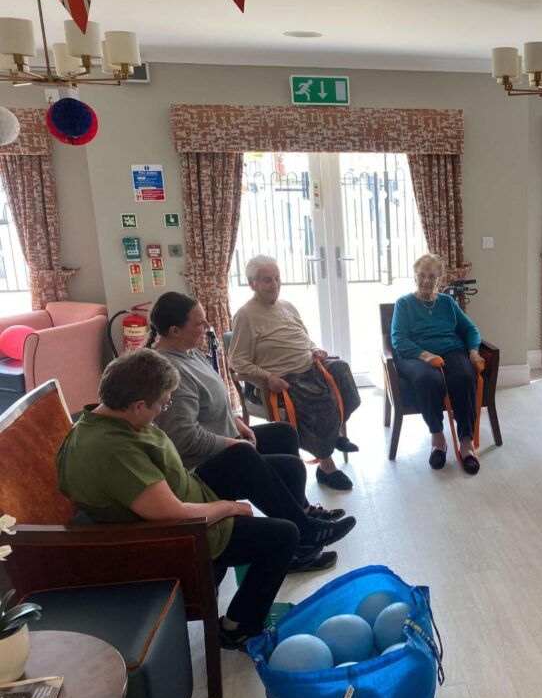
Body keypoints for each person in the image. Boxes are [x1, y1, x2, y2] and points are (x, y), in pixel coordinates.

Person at [56, 349, 299, 650]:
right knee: (283, 537)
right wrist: (229, 507)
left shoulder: (97, 420)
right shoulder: (116, 452)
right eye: (162, 403)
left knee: (242, 455)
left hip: (188, 490)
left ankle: (308, 527)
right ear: (138, 406)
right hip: (180, 537)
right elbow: (177, 515)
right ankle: (237, 627)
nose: (163, 409)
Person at [146, 292, 355, 573]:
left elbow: (212, 401)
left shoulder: (189, 350)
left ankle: (301, 517)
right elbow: (184, 438)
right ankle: (304, 534)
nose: (207, 325)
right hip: (197, 465)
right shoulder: (171, 372)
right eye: (199, 322)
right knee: (267, 460)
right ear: (174, 330)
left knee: (283, 433)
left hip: (222, 438)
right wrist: (231, 442)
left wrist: (236, 421)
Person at [230, 255, 361, 491]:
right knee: (319, 402)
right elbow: (237, 361)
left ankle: (334, 434)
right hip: (282, 378)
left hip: (310, 366)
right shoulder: (245, 315)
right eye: (267, 279)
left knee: (342, 370)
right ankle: (327, 467)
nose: (274, 284)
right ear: (252, 283)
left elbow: (303, 338)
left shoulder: (288, 306)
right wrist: (267, 377)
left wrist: (315, 349)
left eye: (277, 278)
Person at [390, 254, 485, 474]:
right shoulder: (404, 303)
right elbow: (399, 339)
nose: (426, 281)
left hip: (451, 349)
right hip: (415, 354)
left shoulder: (447, 302)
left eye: (432, 276)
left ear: (439, 278)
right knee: (427, 380)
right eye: (421, 275)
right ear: (414, 275)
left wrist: (472, 351)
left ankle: (466, 442)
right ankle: (438, 439)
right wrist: (424, 355)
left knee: (464, 376)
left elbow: (470, 329)